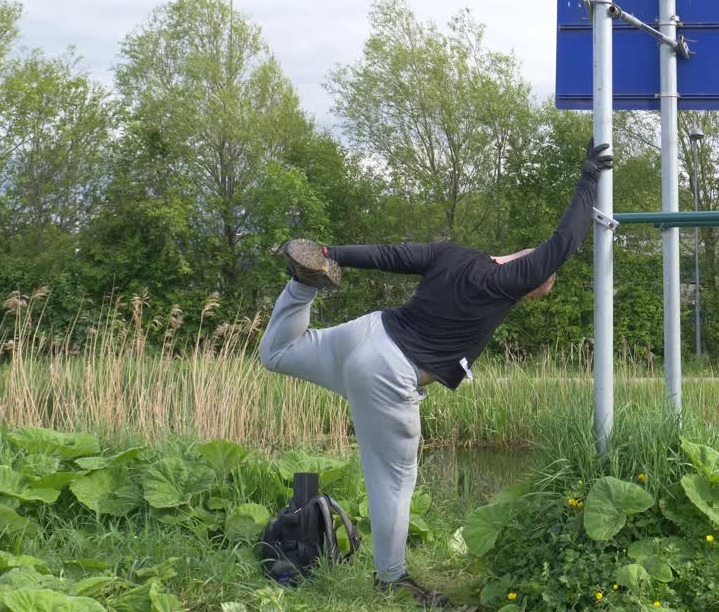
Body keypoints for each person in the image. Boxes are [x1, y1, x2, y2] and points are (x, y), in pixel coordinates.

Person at [257, 140, 613, 607]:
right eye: (538, 289)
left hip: (366, 332)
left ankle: (304, 283)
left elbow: (389, 254)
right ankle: (391, 578)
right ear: (528, 275)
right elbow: (562, 244)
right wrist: (588, 180)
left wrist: (329, 252)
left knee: (278, 353)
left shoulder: (451, 253)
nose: (534, 294)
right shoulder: (507, 282)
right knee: (393, 480)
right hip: (389, 370)